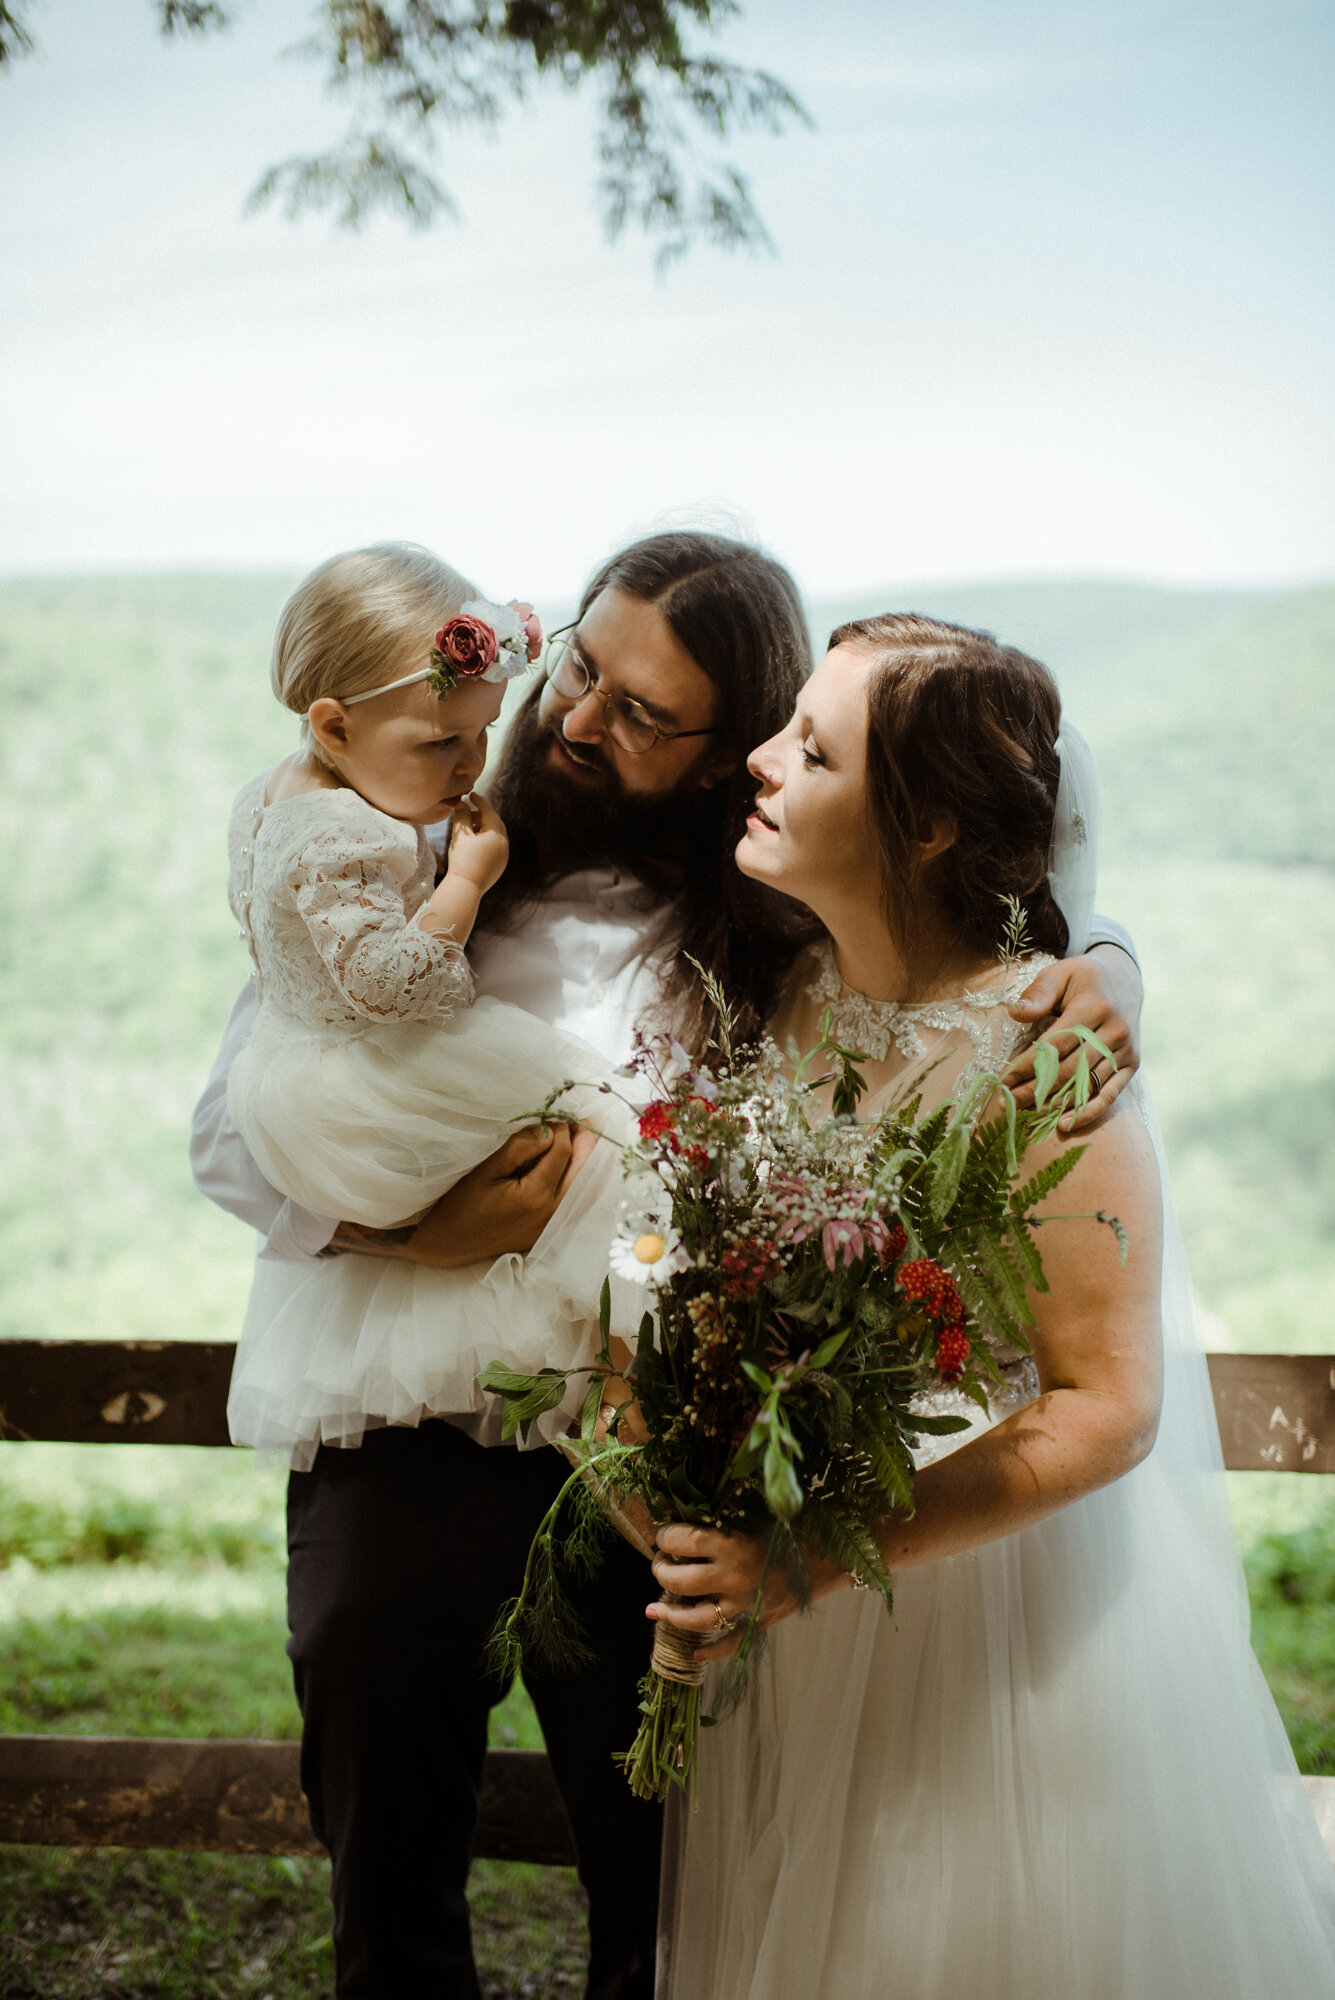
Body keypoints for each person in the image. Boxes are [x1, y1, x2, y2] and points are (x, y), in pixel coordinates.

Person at [191, 543, 1146, 2000]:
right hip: (401, 1416)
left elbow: (961, 953)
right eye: (580, 667)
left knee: (658, 1875)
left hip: (644, 1449)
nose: (578, 721)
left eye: (644, 715)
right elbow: (229, 1128)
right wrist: (404, 1228)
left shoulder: (767, 929)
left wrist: (1114, 963)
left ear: (726, 753)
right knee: (383, 1841)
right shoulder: (408, 836)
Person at [646, 614, 1335, 1999]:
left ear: (926, 829)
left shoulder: (1043, 1054)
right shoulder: (779, 1007)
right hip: (796, 1625)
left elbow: (1110, 1406)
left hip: (984, 1618)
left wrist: (818, 1560)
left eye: (813, 750)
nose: (761, 763)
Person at [221, 543, 648, 1468]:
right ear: (332, 727)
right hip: (356, 1078)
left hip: (308, 1083)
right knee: (612, 1122)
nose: (471, 766)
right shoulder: (342, 834)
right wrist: (465, 883)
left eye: (482, 733)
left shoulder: (278, 799)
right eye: (440, 744)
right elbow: (385, 986)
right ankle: (630, 1383)